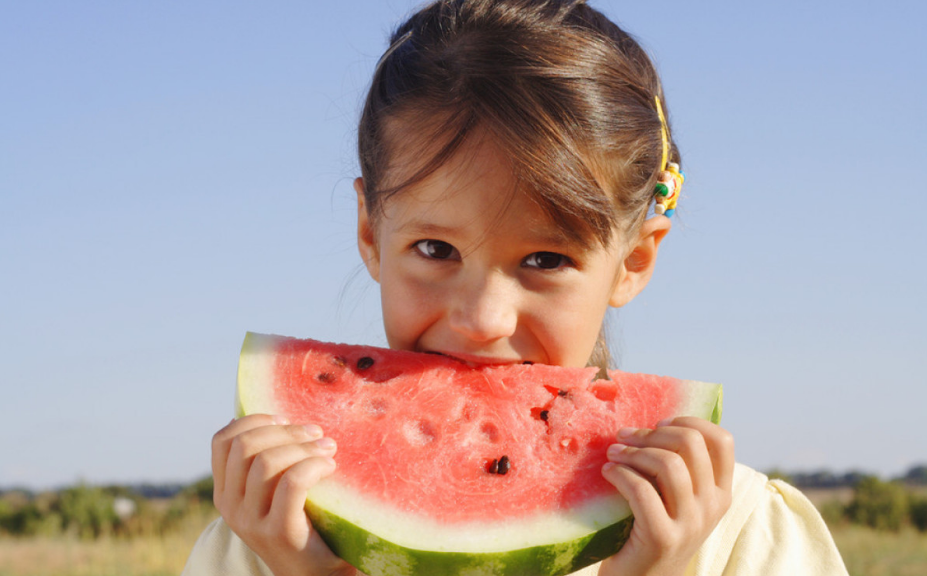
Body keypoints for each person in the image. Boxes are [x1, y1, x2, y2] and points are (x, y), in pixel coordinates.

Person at [182, 1, 848, 574]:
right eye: (434, 249)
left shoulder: (742, 539)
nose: (482, 318)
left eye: (545, 259)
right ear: (368, 233)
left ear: (633, 262)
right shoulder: (264, 539)